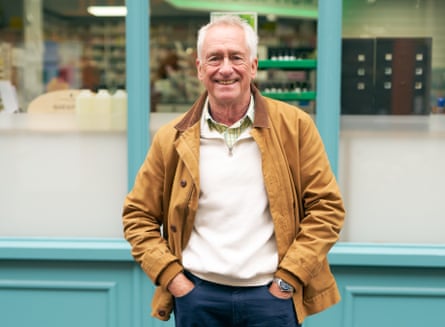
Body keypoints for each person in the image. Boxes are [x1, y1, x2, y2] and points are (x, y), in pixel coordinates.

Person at [122, 15, 345, 327]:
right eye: (214, 58)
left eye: (236, 57)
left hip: (271, 301)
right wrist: (175, 280)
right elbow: (138, 216)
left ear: (252, 66)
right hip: (198, 298)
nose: (225, 68)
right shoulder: (171, 137)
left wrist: (287, 281)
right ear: (200, 68)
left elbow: (327, 209)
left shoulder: (295, 127)